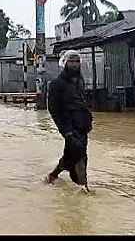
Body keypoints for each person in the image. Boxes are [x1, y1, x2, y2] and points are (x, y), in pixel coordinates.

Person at [45, 50, 93, 192]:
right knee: (80, 155)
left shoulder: (80, 80)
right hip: (70, 127)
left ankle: (53, 175)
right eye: (71, 61)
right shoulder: (57, 84)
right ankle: (84, 187)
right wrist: (66, 130)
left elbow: (83, 102)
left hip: (83, 125)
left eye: (77, 61)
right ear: (65, 63)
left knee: (71, 156)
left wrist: (88, 120)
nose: (75, 64)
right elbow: (53, 109)